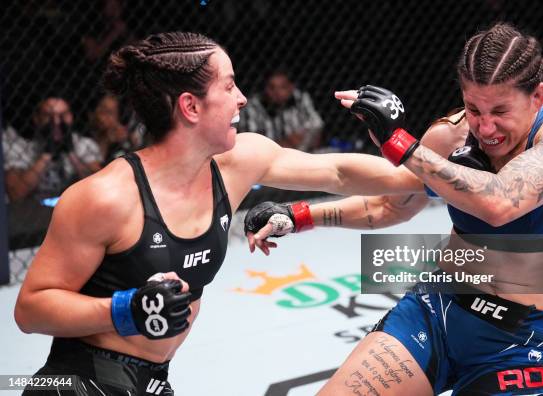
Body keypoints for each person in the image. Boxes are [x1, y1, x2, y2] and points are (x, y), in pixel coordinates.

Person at [14, 32, 424, 395]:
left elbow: (341, 172)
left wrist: (401, 144)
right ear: (190, 106)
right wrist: (125, 309)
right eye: (229, 86)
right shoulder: (104, 197)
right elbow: (30, 309)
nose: (243, 98)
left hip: (155, 378)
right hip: (81, 379)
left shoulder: (239, 161)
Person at [244, 23, 543, 395]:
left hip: (519, 344)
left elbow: (499, 201)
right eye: (473, 107)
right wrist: (298, 215)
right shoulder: (452, 135)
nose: (486, 126)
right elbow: (391, 206)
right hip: (436, 311)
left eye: (500, 110)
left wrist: (398, 142)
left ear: (538, 96)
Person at [3, 97, 101, 202]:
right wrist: (46, 154)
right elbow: (16, 194)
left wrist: (71, 153)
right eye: (48, 116)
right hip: (33, 212)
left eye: (62, 115)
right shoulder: (21, 147)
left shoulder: (84, 144)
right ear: (37, 118)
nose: (56, 122)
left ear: (71, 116)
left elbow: (99, 187)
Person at [238, 69, 324, 151]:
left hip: (302, 152)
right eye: (272, 87)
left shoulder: (300, 99)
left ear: (291, 87)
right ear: (264, 89)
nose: (277, 92)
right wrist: (285, 142)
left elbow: (317, 128)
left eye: (283, 87)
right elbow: (252, 144)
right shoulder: (252, 106)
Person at [89, 94, 143, 165]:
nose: (106, 117)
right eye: (103, 110)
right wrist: (107, 141)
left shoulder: (122, 130)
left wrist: (129, 137)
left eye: (111, 112)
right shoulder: (88, 134)